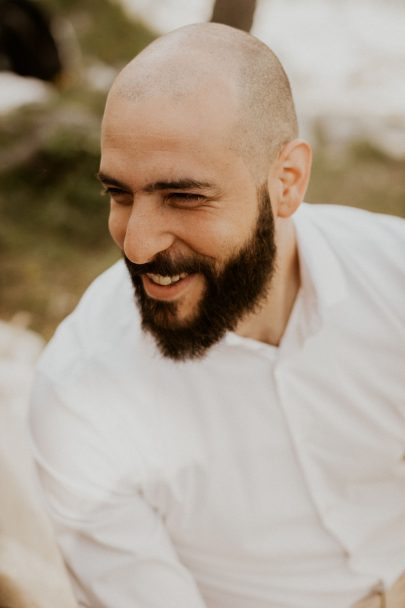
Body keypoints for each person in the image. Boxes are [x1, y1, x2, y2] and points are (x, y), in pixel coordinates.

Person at [29, 23, 405, 608]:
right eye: (119, 194)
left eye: (184, 197)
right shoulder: (80, 393)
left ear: (286, 182)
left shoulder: (392, 277)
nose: (137, 245)